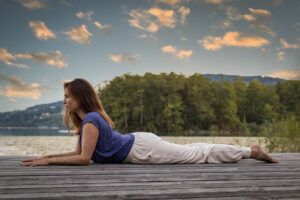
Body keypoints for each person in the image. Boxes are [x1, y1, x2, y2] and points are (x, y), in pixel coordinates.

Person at [20, 78, 278, 167]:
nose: (64, 102)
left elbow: (84, 159)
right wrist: (47, 155)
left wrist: (50, 161)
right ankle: (230, 148)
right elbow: (77, 152)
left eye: (67, 97)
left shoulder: (91, 120)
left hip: (142, 150)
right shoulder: (89, 120)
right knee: (194, 151)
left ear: (79, 97)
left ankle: (249, 152)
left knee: (198, 157)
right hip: (139, 145)